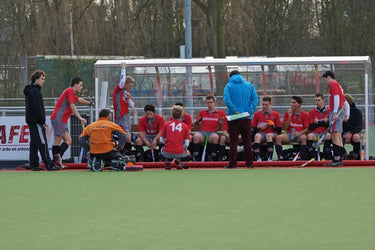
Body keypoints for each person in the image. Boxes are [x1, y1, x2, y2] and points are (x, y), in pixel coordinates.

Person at [50, 77, 94, 167]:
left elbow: (79, 100)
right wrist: (80, 118)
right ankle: (55, 162)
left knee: (68, 140)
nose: (81, 87)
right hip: (59, 118)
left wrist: (90, 103)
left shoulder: (72, 94)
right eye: (80, 85)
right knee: (57, 140)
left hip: (62, 120)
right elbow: (72, 105)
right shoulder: (70, 90)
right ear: (75, 84)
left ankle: (57, 160)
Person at [23, 70, 60, 171]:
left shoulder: (30, 91)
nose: (43, 81)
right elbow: (38, 109)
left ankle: (34, 164)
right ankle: (49, 164)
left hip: (31, 121)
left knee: (34, 143)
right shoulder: (35, 92)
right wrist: (42, 121)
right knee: (42, 142)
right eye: (42, 79)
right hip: (36, 122)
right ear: (36, 79)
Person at [223, 70, 258, 168]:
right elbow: (255, 99)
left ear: (231, 76)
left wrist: (234, 110)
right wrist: (249, 111)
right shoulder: (249, 85)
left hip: (234, 116)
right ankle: (250, 163)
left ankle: (233, 163)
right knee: (247, 140)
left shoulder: (229, 86)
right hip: (246, 116)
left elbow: (227, 99)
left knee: (233, 141)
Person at [323, 71, 350, 166]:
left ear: (329, 77)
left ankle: (337, 159)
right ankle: (339, 159)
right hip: (339, 110)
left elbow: (337, 98)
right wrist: (347, 114)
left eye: (325, 79)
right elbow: (345, 101)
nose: (325, 81)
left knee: (335, 135)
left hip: (336, 111)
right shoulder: (338, 85)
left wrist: (334, 112)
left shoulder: (333, 84)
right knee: (337, 135)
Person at [190, 95, 226, 161]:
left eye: (211, 102)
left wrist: (222, 121)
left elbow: (226, 122)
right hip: (202, 132)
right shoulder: (203, 112)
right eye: (208, 102)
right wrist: (197, 121)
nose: (209, 104)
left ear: (214, 103)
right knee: (196, 137)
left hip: (213, 133)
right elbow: (195, 123)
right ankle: (196, 158)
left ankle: (213, 158)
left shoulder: (220, 113)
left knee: (215, 138)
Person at [275, 96, 309, 160]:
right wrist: (289, 116)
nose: (291, 104)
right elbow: (285, 128)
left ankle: (300, 157)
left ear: (299, 104)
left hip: (299, 134)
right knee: (278, 137)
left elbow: (307, 128)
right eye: (291, 102)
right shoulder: (287, 113)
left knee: (304, 138)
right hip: (289, 134)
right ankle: (280, 157)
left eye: (294, 102)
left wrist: (299, 133)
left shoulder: (304, 114)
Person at [160, 105, 190, 170]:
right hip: (180, 153)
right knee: (187, 152)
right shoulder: (185, 126)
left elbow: (161, 139)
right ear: (182, 115)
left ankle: (167, 161)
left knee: (163, 149)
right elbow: (187, 144)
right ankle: (178, 161)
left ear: (172, 114)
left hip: (166, 153)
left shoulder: (166, 124)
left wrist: (167, 143)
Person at [112, 62, 135, 149]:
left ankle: (122, 152)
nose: (130, 88)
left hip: (126, 116)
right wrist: (123, 68)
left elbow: (132, 106)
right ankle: (118, 150)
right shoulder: (118, 90)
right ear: (125, 84)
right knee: (126, 137)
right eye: (129, 86)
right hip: (120, 117)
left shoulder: (127, 93)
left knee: (127, 138)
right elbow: (122, 81)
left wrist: (128, 99)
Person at [251, 96, 281, 161]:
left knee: (269, 135)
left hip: (272, 133)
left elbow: (279, 130)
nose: (264, 106)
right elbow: (252, 128)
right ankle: (258, 158)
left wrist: (273, 126)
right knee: (257, 136)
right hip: (261, 133)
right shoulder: (257, 114)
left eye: (266, 104)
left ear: (270, 104)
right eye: (263, 104)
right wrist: (258, 127)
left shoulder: (275, 114)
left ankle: (270, 158)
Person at [307, 93, 331, 160]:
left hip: (325, 133)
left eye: (319, 100)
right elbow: (311, 126)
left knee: (328, 136)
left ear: (323, 100)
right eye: (316, 100)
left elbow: (329, 125)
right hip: (315, 133)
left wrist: (318, 122)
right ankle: (312, 157)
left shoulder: (329, 111)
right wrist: (323, 122)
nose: (317, 102)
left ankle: (325, 157)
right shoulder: (312, 112)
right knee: (309, 136)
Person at [342, 94, 363, 160]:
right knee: (337, 138)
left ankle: (355, 156)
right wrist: (343, 134)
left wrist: (351, 133)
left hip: (353, 132)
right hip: (343, 133)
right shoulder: (340, 112)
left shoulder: (357, 112)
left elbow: (359, 126)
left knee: (356, 137)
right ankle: (344, 155)